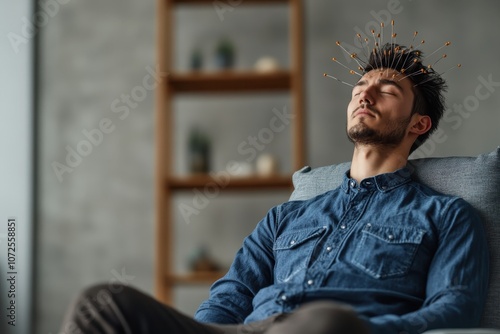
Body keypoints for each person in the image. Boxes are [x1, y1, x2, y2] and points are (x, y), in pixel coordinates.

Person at [60, 41, 489, 334]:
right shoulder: (288, 215)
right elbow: (233, 294)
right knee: (101, 304)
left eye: (387, 89)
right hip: (250, 329)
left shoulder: (448, 215)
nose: (365, 94)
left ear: (418, 123)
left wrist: (362, 329)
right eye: (360, 87)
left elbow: (455, 307)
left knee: (325, 323)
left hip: (334, 329)